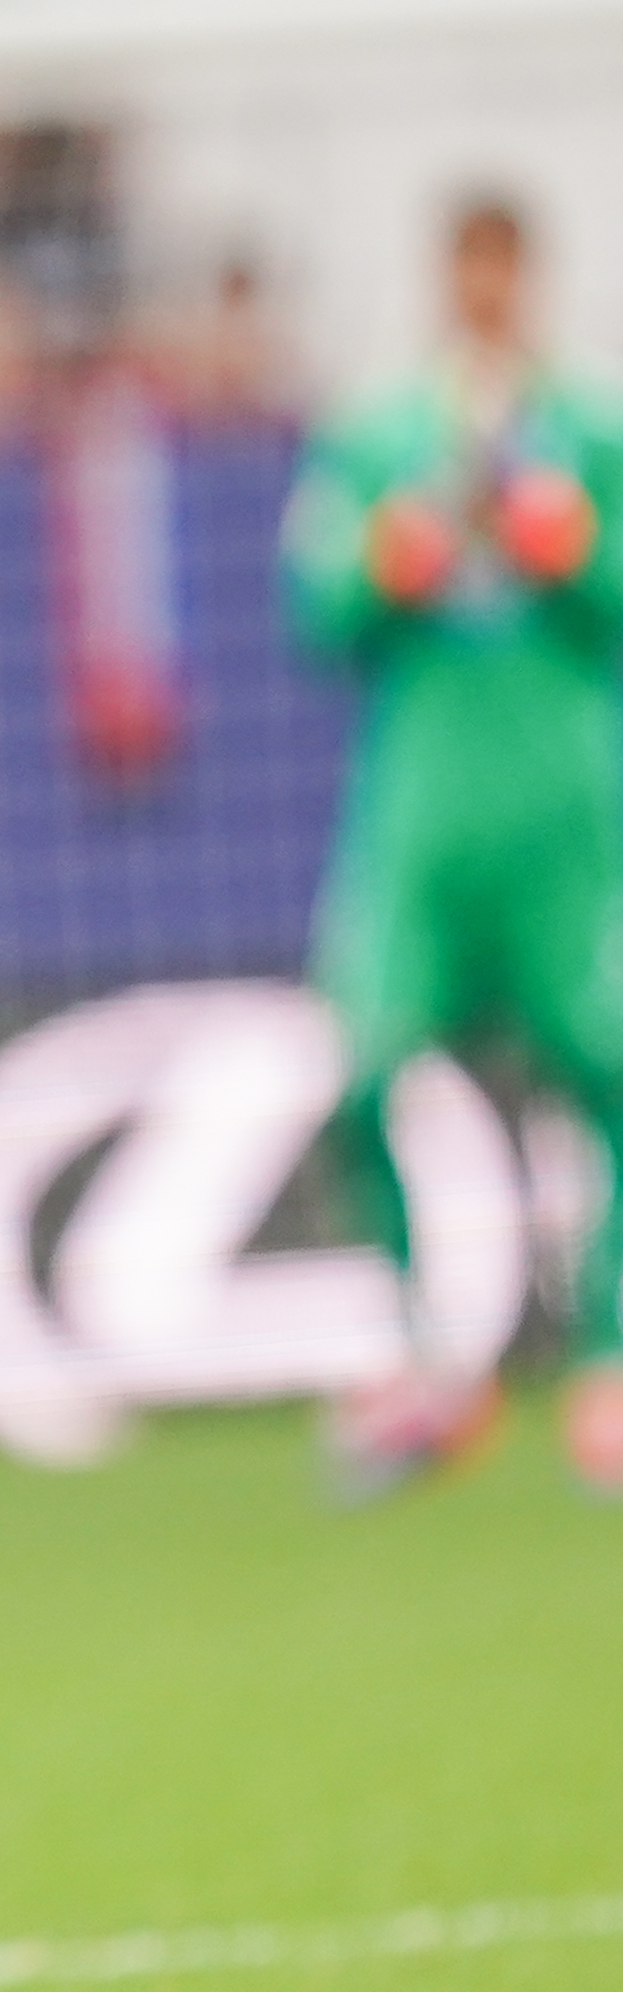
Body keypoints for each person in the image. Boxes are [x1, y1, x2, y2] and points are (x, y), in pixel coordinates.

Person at [283, 191, 623, 1495]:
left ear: (525, 275)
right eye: (463, 263)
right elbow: (312, 614)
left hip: (567, 817)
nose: (483, 287)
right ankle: (427, 1366)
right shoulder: (377, 442)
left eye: (502, 264)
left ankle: (604, 1366)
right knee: (361, 1069)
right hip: (418, 820)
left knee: (609, 1080)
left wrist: (563, 540)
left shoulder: (589, 432)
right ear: (442, 276)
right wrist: (407, 548)